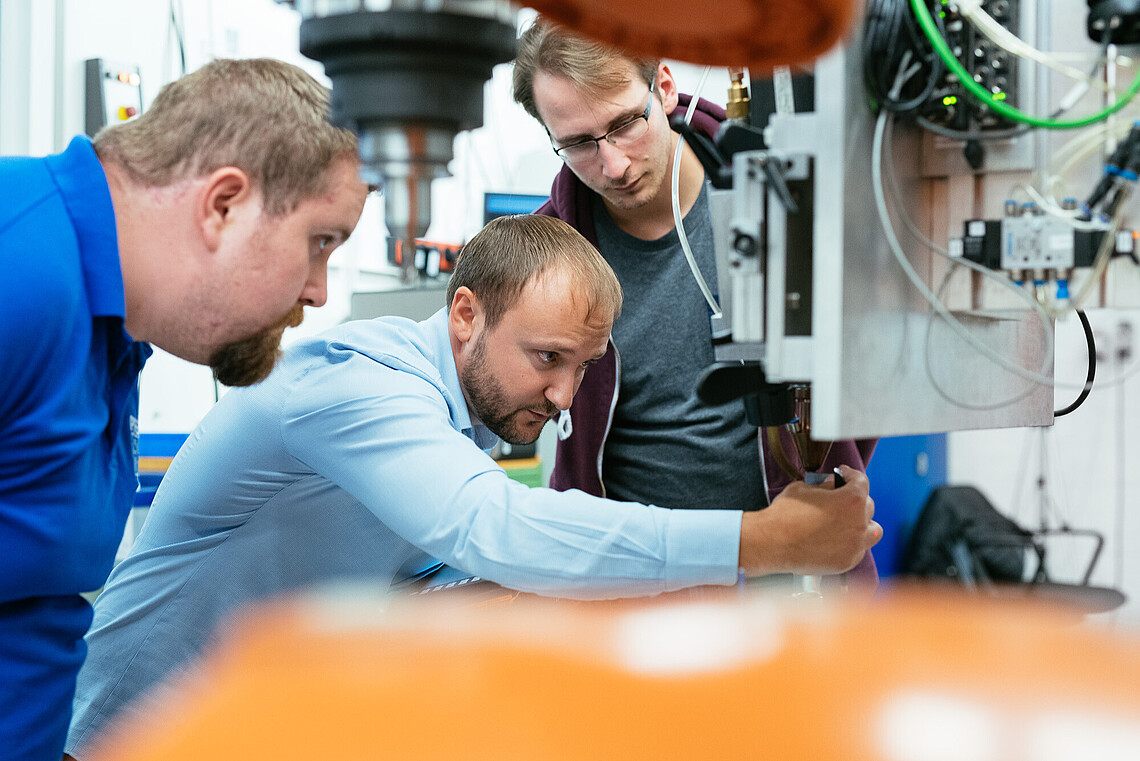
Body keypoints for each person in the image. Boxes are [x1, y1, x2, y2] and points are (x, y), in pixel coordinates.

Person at [64, 214, 880, 758]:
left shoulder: (457, 421)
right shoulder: (359, 382)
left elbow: (430, 581)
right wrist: (758, 541)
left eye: (584, 367)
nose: (565, 397)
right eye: (547, 358)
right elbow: (494, 529)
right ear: (464, 312)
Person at [0, 58, 369, 761]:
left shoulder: (114, 337)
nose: (319, 290)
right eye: (321, 242)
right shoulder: (17, 266)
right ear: (223, 204)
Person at [511, 18, 878, 581]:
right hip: (631, 584)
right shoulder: (551, 256)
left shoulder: (780, 196)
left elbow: (871, 351)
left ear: (663, 86)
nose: (614, 166)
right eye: (580, 143)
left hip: (799, 568)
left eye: (625, 124)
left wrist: (830, 468)